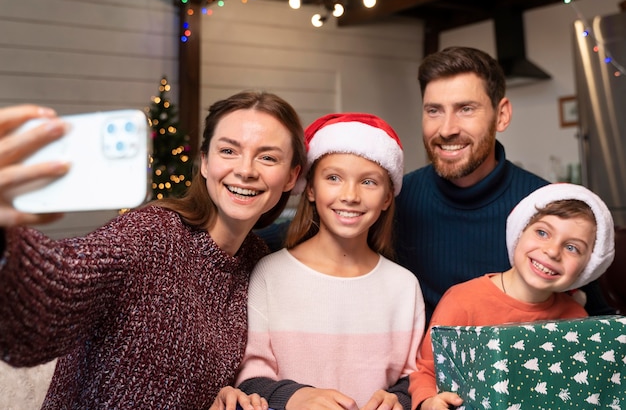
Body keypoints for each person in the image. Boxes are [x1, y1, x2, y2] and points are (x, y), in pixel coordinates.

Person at [0, 91, 307, 409]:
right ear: (204, 162)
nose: (246, 170)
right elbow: (47, 306)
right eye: (229, 150)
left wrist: (223, 390)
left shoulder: (257, 260)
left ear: (291, 177)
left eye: (267, 157)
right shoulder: (151, 234)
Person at [394, 46, 613, 323]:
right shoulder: (397, 200)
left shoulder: (545, 208)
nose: (447, 128)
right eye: (434, 110)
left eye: (466, 109)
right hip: (424, 364)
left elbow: (596, 319)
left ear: (502, 115)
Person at [234, 113, 426, 410]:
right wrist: (294, 396)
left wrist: (399, 397)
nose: (350, 195)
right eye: (333, 178)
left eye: (369, 182)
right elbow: (249, 377)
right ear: (310, 189)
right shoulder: (269, 274)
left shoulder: (403, 286)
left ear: (388, 197)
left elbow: (413, 376)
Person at [409, 183, 615, 410]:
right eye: (542, 232)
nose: (553, 251)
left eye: (572, 248)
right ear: (519, 232)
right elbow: (427, 370)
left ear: (587, 267)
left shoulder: (576, 318)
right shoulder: (462, 301)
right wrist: (429, 401)